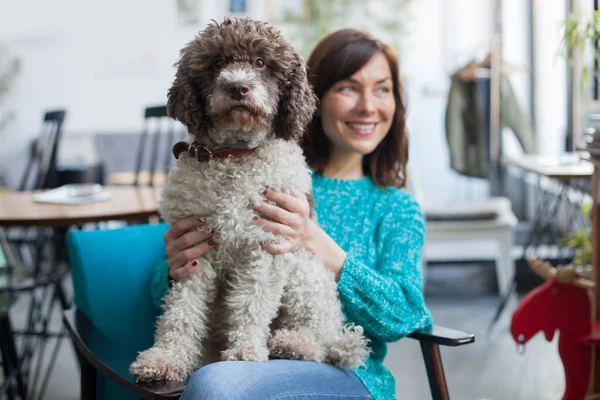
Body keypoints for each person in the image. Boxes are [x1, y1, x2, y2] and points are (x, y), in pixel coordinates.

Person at [151, 28, 433, 400]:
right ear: (316, 96)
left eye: (382, 89)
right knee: (218, 380)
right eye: (349, 88)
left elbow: (406, 316)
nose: (368, 106)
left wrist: (321, 246)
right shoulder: (241, 167)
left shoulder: (396, 207)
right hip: (233, 356)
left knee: (218, 384)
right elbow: (161, 288)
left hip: (345, 374)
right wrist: (174, 268)